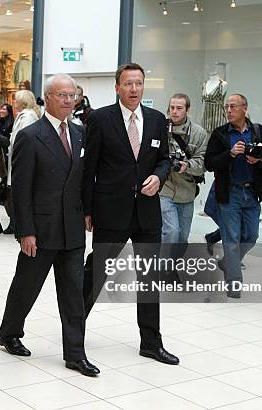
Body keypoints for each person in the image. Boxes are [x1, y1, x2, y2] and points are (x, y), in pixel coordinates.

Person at [0, 74, 100, 377]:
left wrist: (88, 212)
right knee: (26, 287)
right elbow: (21, 190)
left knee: (73, 293)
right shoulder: (31, 136)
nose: (69, 100)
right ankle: (9, 332)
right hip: (40, 231)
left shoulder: (81, 133)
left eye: (73, 95)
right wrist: (25, 231)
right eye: (63, 95)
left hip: (71, 229)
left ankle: (75, 354)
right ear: (48, 98)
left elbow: (83, 180)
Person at [83, 63, 179, 365]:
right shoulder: (100, 119)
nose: (134, 89)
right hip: (110, 210)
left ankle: (151, 342)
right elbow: (89, 170)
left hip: (147, 213)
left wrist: (159, 177)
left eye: (138, 83)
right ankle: (73, 331)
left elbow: (164, 159)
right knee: (97, 272)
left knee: (150, 279)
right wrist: (86, 210)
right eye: (128, 84)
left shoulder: (156, 120)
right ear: (117, 87)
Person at [204, 94, 262, 298]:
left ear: (245, 108)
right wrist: (231, 154)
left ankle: (227, 262)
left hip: (252, 193)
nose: (228, 110)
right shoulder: (220, 134)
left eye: (233, 106)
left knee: (251, 236)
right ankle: (234, 285)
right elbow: (210, 163)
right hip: (230, 193)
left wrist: (259, 158)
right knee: (232, 239)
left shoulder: (258, 131)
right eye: (227, 106)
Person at [160, 93, 208, 277]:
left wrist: (187, 166)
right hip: (165, 189)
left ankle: (170, 265)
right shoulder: (160, 129)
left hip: (187, 190)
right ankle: (164, 271)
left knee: (182, 237)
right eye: (172, 107)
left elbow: (203, 163)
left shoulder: (199, 133)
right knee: (171, 232)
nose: (174, 111)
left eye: (179, 108)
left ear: (187, 110)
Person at [3, 89, 39, 234]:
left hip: (21, 162)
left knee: (19, 193)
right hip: (16, 160)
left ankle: (18, 225)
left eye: (16, 100)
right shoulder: (23, 115)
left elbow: (24, 142)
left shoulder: (28, 117)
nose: (14, 103)